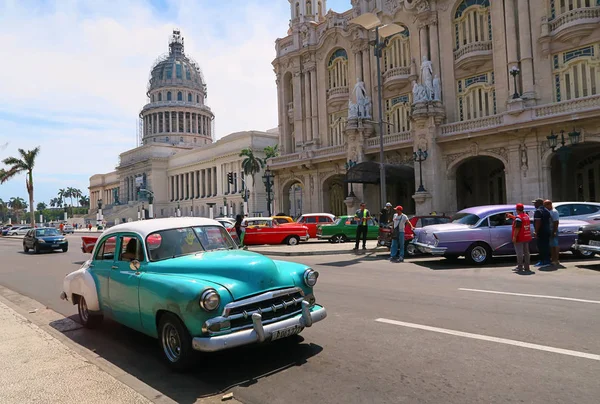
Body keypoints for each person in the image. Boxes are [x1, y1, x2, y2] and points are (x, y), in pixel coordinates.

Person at [512, 203, 533, 273]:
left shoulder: (518, 218)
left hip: (519, 237)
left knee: (519, 252)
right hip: (526, 236)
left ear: (517, 210)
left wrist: (514, 237)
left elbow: (517, 227)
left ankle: (519, 266)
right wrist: (512, 217)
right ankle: (527, 266)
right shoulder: (526, 216)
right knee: (526, 252)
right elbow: (521, 220)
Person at [533, 198, 552, 267]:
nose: (534, 204)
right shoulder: (546, 210)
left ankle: (544, 261)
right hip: (547, 231)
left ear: (539, 203)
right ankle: (547, 260)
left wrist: (536, 231)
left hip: (541, 231)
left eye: (535, 203)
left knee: (541, 247)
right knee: (546, 246)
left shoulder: (538, 211)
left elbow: (538, 222)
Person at [544, 200, 561, 267]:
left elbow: (556, 222)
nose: (545, 207)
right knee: (551, 245)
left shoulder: (554, 212)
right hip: (549, 230)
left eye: (546, 205)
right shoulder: (548, 211)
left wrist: (554, 231)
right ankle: (552, 258)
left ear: (549, 205)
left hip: (553, 230)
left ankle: (556, 260)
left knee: (555, 245)